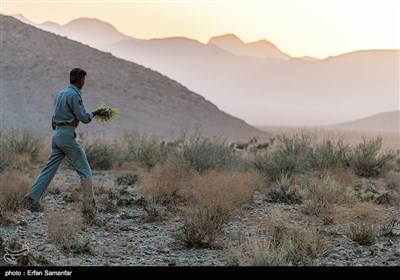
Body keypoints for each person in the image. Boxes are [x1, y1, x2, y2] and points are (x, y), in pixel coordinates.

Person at [21, 68, 106, 224]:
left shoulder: (60, 93)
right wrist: (96, 113)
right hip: (67, 135)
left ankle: (31, 198)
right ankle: (89, 207)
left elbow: (54, 119)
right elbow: (83, 117)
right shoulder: (74, 95)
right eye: (84, 80)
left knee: (48, 169)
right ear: (80, 79)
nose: (84, 83)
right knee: (85, 170)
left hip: (57, 135)